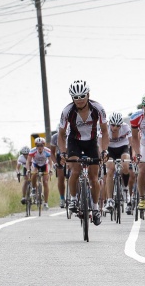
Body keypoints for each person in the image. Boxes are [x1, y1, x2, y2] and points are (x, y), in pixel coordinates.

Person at [57, 79, 109, 226]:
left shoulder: (98, 108)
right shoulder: (67, 111)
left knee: (93, 177)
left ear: (88, 95)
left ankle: (95, 208)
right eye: (76, 97)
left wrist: (104, 150)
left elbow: (105, 132)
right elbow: (61, 135)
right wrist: (63, 153)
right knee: (75, 170)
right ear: (72, 98)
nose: (79, 100)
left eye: (82, 96)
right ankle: (73, 199)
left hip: (92, 142)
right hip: (75, 141)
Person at [103, 112, 132, 213]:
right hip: (109, 149)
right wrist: (102, 156)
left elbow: (131, 142)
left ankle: (125, 188)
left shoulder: (126, 127)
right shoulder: (104, 127)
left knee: (125, 165)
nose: (115, 128)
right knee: (110, 170)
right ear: (109, 123)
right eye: (113, 125)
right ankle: (110, 200)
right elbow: (99, 143)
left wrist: (134, 156)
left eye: (118, 126)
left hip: (122, 148)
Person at [27, 137, 52, 209]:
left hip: (44, 165)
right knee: (34, 173)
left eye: (41, 145)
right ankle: (34, 188)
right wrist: (28, 169)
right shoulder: (32, 151)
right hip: (36, 165)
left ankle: (46, 203)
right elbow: (28, 161)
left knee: (45, 182)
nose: (40, 147)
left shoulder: (47, 151)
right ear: (36, 146)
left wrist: (50, 170)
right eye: (38, 145)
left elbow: (50, 161)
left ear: (44, 145)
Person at [49, 131, 67, 208]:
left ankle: (75, 196)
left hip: (71, 154)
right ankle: (62, 198)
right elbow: (52, 153)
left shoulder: (72, 133)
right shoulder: (54, 137)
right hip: (60, 156)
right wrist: (55, 163)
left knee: (74, 174)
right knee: (61, 177)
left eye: (65, 135)